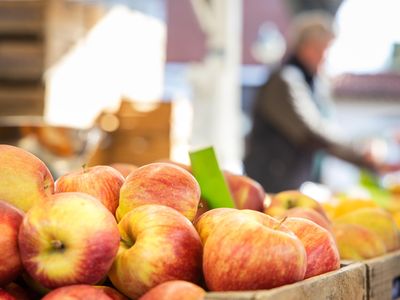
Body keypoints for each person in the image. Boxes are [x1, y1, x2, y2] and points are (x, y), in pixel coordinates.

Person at [243, 10, 384, 193]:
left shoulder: (310, 82)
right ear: (308, 47)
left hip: (287, 183)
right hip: (271, 186)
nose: (326, 57)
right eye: (324, 49)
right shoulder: (286, 80)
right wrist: (360, 155)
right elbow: (310, 131)